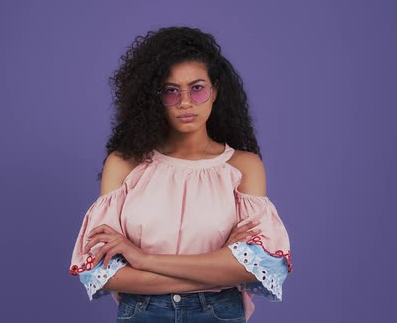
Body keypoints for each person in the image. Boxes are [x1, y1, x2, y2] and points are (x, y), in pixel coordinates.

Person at [69, 26, 292, 322]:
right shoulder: (124, 164)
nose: (185, 102)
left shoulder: (243, 167)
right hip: (142, 314)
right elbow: (102, 274)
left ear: (216, 91)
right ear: (153, 98)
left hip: (218, 315)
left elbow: (260, 266)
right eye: (171, 91)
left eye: (197, 88)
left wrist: (143, 259)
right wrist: (218, 265)